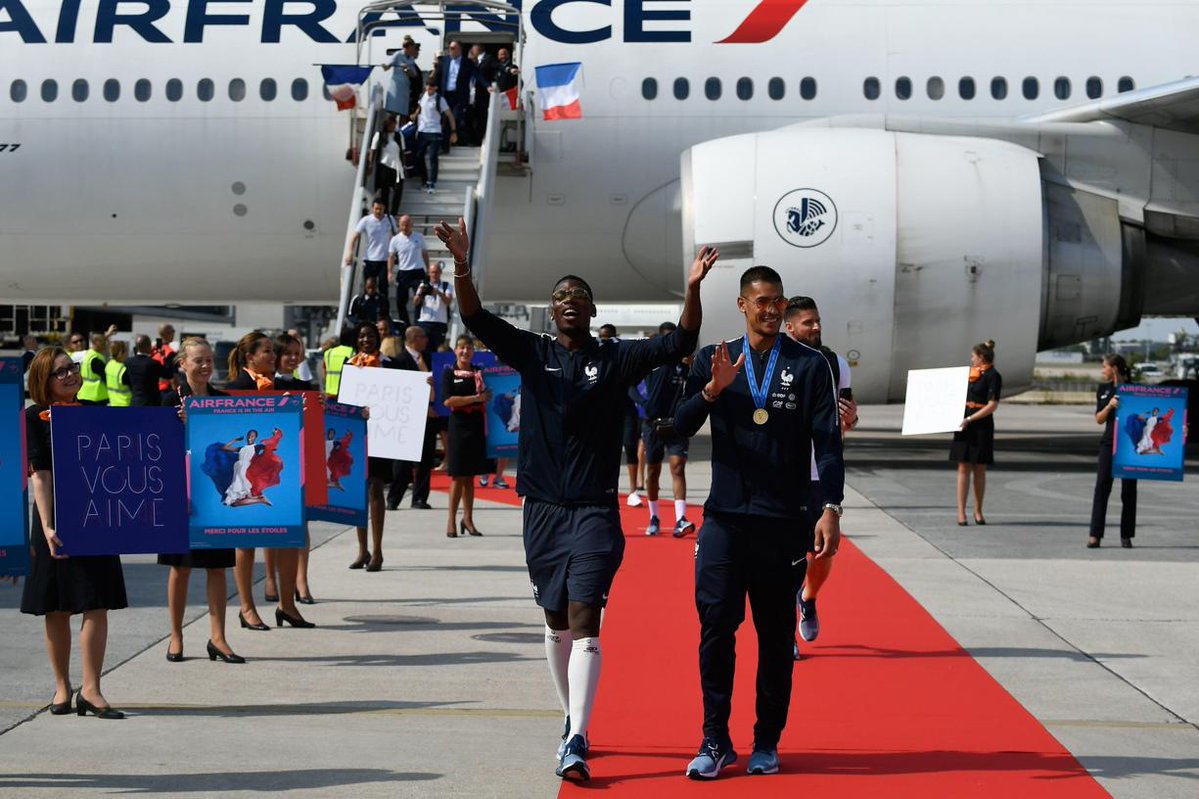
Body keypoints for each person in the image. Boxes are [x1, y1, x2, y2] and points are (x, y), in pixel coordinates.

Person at [435, 217, 711, 782]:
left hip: (592, 511)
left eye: (578, 297)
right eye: (560, 296)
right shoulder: (532, 353)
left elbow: (682, 341)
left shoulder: (616, 359)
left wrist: (691, 290)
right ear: (551, 309)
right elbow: (474, 317)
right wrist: (462, 263)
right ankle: (571, 716)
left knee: (587, 616)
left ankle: (578, 738)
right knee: (556, 619)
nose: (568, 302)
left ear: (591, 310)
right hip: (540, 509)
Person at [673, 265, 844, 780]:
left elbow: (828, 445)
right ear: (743, 305)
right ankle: (715, 739)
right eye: (761, 301)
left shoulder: (812, 365)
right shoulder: (715, 358)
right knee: (715, 631)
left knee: (774, 639)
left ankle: (766, 739)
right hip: (725, 520)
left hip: (783, 523)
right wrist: (710, 391)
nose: (770, 309)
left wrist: (830, 507)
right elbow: (673, 427)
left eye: (778, 301)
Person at [21, 348, 128, 718]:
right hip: (56, 520)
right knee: (58, 606)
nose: (70, 375)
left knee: (97, 602)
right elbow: (41, 475)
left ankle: (92, 689)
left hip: (97, 516)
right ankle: (63, 687)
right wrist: (48, 526)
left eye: (73, 368)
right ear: (42, 381)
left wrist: (176, 421)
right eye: (60, 372)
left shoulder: (97, 413)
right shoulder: (34, 417)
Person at [159, 337, 244, 664]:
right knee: (180, 568)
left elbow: (231, 446)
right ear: (182, 363)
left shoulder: (222, 400)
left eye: (210, 360)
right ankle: (176, 635)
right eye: (199, 360)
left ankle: (218, 637)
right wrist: (179, 426)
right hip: (182, 496)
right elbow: (159, 448)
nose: (207, 366)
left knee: (217, 568)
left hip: (213, 497)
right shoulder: (169, 401)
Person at [783, 296, 859, 658]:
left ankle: (808, 599)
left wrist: (851, 419)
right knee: (787, 556)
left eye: (817, 322)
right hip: (783, 474)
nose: (815, 328)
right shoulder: (775, 361)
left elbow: (846, 417)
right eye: (808, 323)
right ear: (790, 327)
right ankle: (786, 635)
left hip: (821, 473)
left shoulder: (836, 364)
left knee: (824, 553)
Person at [224, 331, 279, 631]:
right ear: (250, 358)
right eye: (267, 351)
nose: (273, 356)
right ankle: (246, 607)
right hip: (246, 472)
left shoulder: (277, 386)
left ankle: (284, 601)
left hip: (263, 472)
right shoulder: (236, 389)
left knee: (272, 533)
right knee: (245, 541)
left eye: (273, 351)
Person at [264, 333, 319, 612]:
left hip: (298, 461)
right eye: (289, 353)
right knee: (273, 521)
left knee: (302, 523)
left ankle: (302, 579)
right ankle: (270, 579)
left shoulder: (305, 386)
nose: (294, 358)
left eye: (299, 353)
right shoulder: (265, 386)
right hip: (272, 462)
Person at [347, 322, 398, 572]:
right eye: (362, 336)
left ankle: (377, 551)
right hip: (356, 434)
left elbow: (401, 396)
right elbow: (343, 399)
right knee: (358, 492)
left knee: (376, 488)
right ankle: (362, 549)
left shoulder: (388, 363)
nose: (366, 339)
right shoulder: (350, 364)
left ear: (377, 339)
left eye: (370, 336)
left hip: (381, 433)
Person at [640, 321, 694, 537]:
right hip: (653, 424)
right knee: (653, 471)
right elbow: (630, 387)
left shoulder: (684, 365)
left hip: (676, 425)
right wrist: (645, 406)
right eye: (670, 338)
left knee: (677, 467)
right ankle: (654, 516)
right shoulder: (650, 363)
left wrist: (690, 366)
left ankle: (680, 518)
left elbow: (695, 387)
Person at [442, 335, 490, 537]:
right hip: (459, 427)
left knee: (470, 477)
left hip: (476, 426)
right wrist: (475, 399)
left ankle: (468, 519)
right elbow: (449, 401)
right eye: (461, 348)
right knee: (457, 476)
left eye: (469, 348)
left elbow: (488, 395)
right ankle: (451, 521)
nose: (465, 352)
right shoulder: (449, 373)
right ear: (456, 351)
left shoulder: (480, 372)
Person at [386, 326, 437, 511]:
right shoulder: (400, 361)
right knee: (403, 461)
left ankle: (420, 498)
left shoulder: (430, 359)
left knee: (425, 459)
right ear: (414, 339)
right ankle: (394, 498)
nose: (426, 340)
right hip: (408, 419)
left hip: (429, 417)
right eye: (423, 337)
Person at [952, 340, 1001, 526]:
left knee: (980, 468)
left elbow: (993, 405)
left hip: (981, 425)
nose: (971, 359)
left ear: (981, 357)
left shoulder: (993, 376)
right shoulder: (967, 374)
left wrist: (971, 418)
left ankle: (978, 510)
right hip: (964, 424)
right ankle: (961, 512)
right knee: (963, 467)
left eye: (973, 356)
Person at [1089, 354, 1136, 549]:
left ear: (1114, 368)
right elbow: (1099, 419)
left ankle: (1126, 535)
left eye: (1105, 367)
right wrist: (1109, 406)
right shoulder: (1104, 389)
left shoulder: (1135, 389)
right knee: (1102, 487)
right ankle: (1095, 534)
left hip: (1131, 444)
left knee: (1129, 491)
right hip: (1109, 443)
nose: (1103, 370)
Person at [345, 199, 398, 312]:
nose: (378, 211)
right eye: (376, 209)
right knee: (368, 288)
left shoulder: (389, 219)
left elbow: (396, 236)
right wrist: (350, 252)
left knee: (383, 288)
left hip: (384, 260)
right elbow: (355, 237)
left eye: (381, 209)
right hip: (369, 259)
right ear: (372, 209)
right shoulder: (366, 220)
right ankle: (366, 312)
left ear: (384, 209)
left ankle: (384, 313)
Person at [413, 77, 458, 194]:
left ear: (436, 88)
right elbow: (420, 108)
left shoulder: (440, 99)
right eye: (428, 85)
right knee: (419, 156)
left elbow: (449, 115)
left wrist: (453, 131)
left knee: (433, 156)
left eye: (432, 86)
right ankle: (424, 180)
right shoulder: (422, 96)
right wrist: (414, 114)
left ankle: (432, 181)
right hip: (422, 131)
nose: (430, 88)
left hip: (435, 131)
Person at [387, 214, 430, 327]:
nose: (405, 227)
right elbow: (391, 257)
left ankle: (417, 324)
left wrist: (428, 268)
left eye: (407, 225)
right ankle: (405, 325)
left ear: (411, 225)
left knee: (419, 299)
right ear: (399, 225)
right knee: (400, 302)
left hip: (417, 271)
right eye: (402, 225)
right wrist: (390, 272)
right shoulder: (395, 240)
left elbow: (424, 253)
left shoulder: (419, 237)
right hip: (403, 273)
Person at [435, 40, 478, 148]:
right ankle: (447, 144)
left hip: (459, 96)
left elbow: (478, 75)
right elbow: (437, 77)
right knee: (445, 120)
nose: (450, 50)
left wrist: (488, 86)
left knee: (455, 118)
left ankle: (451, 143)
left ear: (459, 49)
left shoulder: (467, 62)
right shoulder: (444, 60)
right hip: (446, 96)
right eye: (450, 48)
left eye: (453, 48)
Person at [369, 114, 404, 217]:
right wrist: (370, 164)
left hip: (397, 167)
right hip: (384, 167)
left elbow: (402, 151)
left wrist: (404, 165)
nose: (393, 126)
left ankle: (394, 212)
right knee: (385, 192)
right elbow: (373, 150)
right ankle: (386, 213)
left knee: (398, 190)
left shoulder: (399, 136)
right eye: (391, 124)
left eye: (394, 124)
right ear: (386, 124)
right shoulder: (379, 135)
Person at [414, 260, 453, 351]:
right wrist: (421, 293)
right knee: (423, 348)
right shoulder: (423, 285)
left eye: (436, 272)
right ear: (429, 273)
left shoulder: (446, 286)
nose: (434, 275)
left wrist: (438, 292)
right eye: (432, 272)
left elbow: (448, 301)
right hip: (425, 322)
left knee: (438, 349)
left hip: (439, 323)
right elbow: (415, 302)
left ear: (440, 273)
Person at [381, 35, 419, 118]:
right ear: (408, 47)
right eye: (412, 48)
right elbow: (387, 67)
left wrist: (408, 70)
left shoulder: (411, 58)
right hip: (396, 87)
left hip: (404, 87)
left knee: (403, 113)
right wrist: (384, 65)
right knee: (393, 112)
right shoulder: (398, 55)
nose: (413, 50)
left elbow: (414, 74)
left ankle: (399, 130)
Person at [124, 334, 166, 406]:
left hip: (135, 401)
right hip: (152, 403)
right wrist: (163, 357)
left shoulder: (128, 362)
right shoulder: (154, 363)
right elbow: (168, 374)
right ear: (149, 346)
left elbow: (124, 380)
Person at [77, 332, 111, 405]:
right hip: (97, 397)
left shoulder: (89, 354)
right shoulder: (95, 359)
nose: (105, 344)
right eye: (103, 341)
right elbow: (107, 378)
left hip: (85, 395)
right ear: (96, 342)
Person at [323, 327, 356, 398]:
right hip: (345, 394)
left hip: (329, 393)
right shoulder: (353, 353)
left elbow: (324, 373)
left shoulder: (328, 353)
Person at [152, 323, 179, 398]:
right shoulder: (170, 353)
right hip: (166, 391)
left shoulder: (153, 350)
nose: (174, 333)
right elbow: (174, 377)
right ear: (166, 333)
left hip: (153, 390)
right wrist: (177, 395)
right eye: (173, 331)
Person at [104, 339, 131, 407]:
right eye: (126, 351)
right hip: (125, 404)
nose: (127, 354)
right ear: (121, 352)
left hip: (113, 403)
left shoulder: (109, 365)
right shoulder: (123, 370)